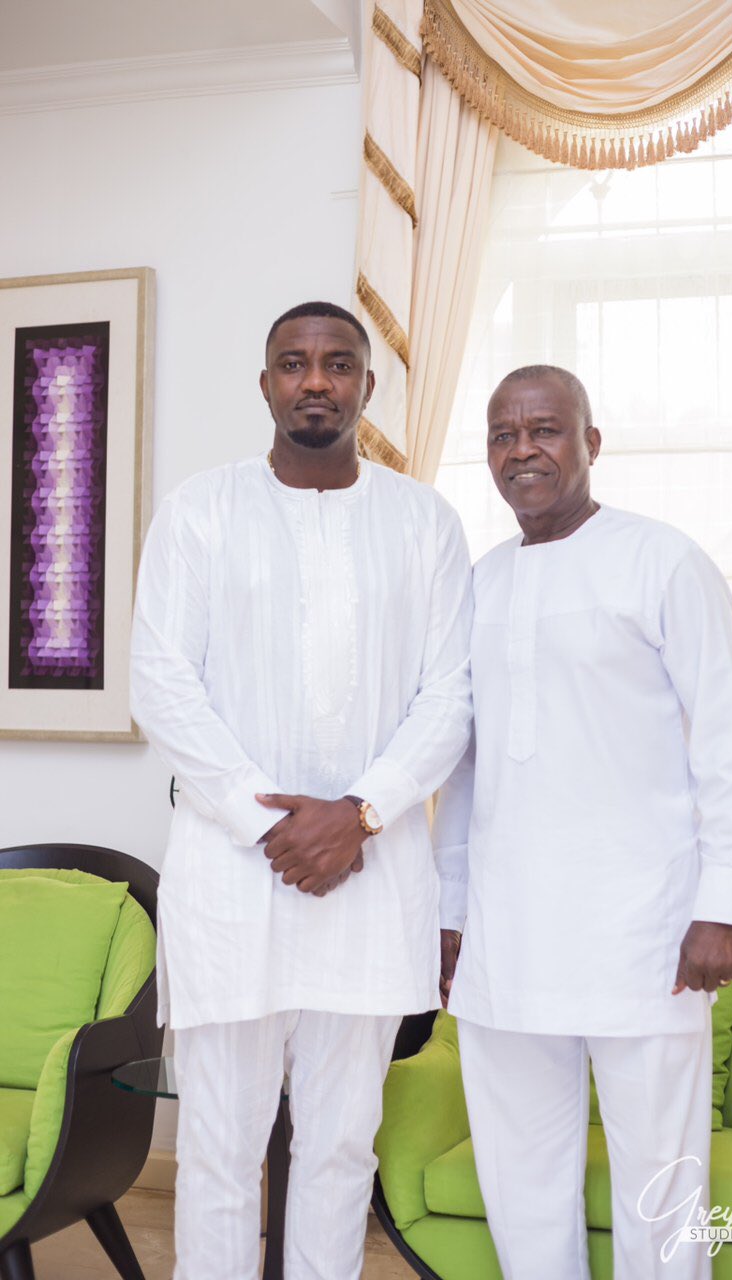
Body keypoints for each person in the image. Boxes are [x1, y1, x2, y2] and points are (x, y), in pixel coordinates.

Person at [130, 301, 472, 1280]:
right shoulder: (201, 508)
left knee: (337, 1151)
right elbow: (159, 677)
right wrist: (262, 819)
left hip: (369, 884)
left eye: (337, 363)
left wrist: (357, 812)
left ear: (368, 385)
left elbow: (450, 693)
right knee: (219, 1152)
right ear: (266, 384)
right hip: (230, 883)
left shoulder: (423, 521)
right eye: (293, 363)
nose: (314, 380)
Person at [434, 365, 732, 1280]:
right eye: (504, 434)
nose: (522, 450)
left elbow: (728, 747)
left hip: (645, 933)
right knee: (520, 1175)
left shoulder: (665, 561)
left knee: (663, 1179)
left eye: (545, 429)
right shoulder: (478, 584)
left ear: (591, 442)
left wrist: (724, 903)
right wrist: (450, 911)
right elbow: (464, 767)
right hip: (509, 938)